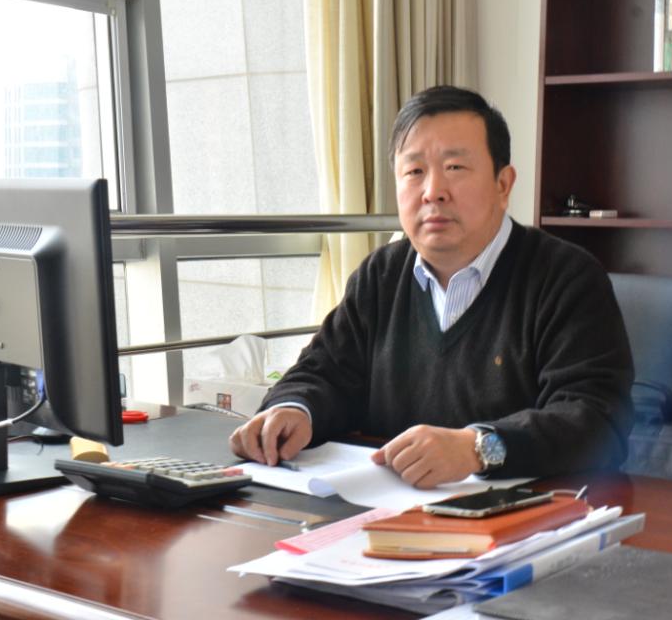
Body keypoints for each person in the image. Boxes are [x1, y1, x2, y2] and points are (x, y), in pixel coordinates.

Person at [229, 85, 633, 488]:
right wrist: (294, 409)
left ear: (503, 185)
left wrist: (478, 447)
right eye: (414, 172)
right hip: (382, 507)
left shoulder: (566, 277)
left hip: (526, 515)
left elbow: (596, 419)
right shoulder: (381, 276)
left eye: (455, 167)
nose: (433, 191)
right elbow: (324, 372)